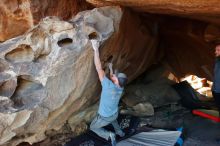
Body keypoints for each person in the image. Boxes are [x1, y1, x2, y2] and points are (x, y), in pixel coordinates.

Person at [89, 40, 128, 146]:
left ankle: (109, 135)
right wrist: (110, 68)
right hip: (114, 113)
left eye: (116, 76)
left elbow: (98, 68)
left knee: (92, 127)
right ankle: (120, 132)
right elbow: (113, 77)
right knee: (114, 120)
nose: (114, 76)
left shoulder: (107, 86)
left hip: (104, 117)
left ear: (116, 81)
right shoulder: (120, 88)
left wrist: (96, 49)